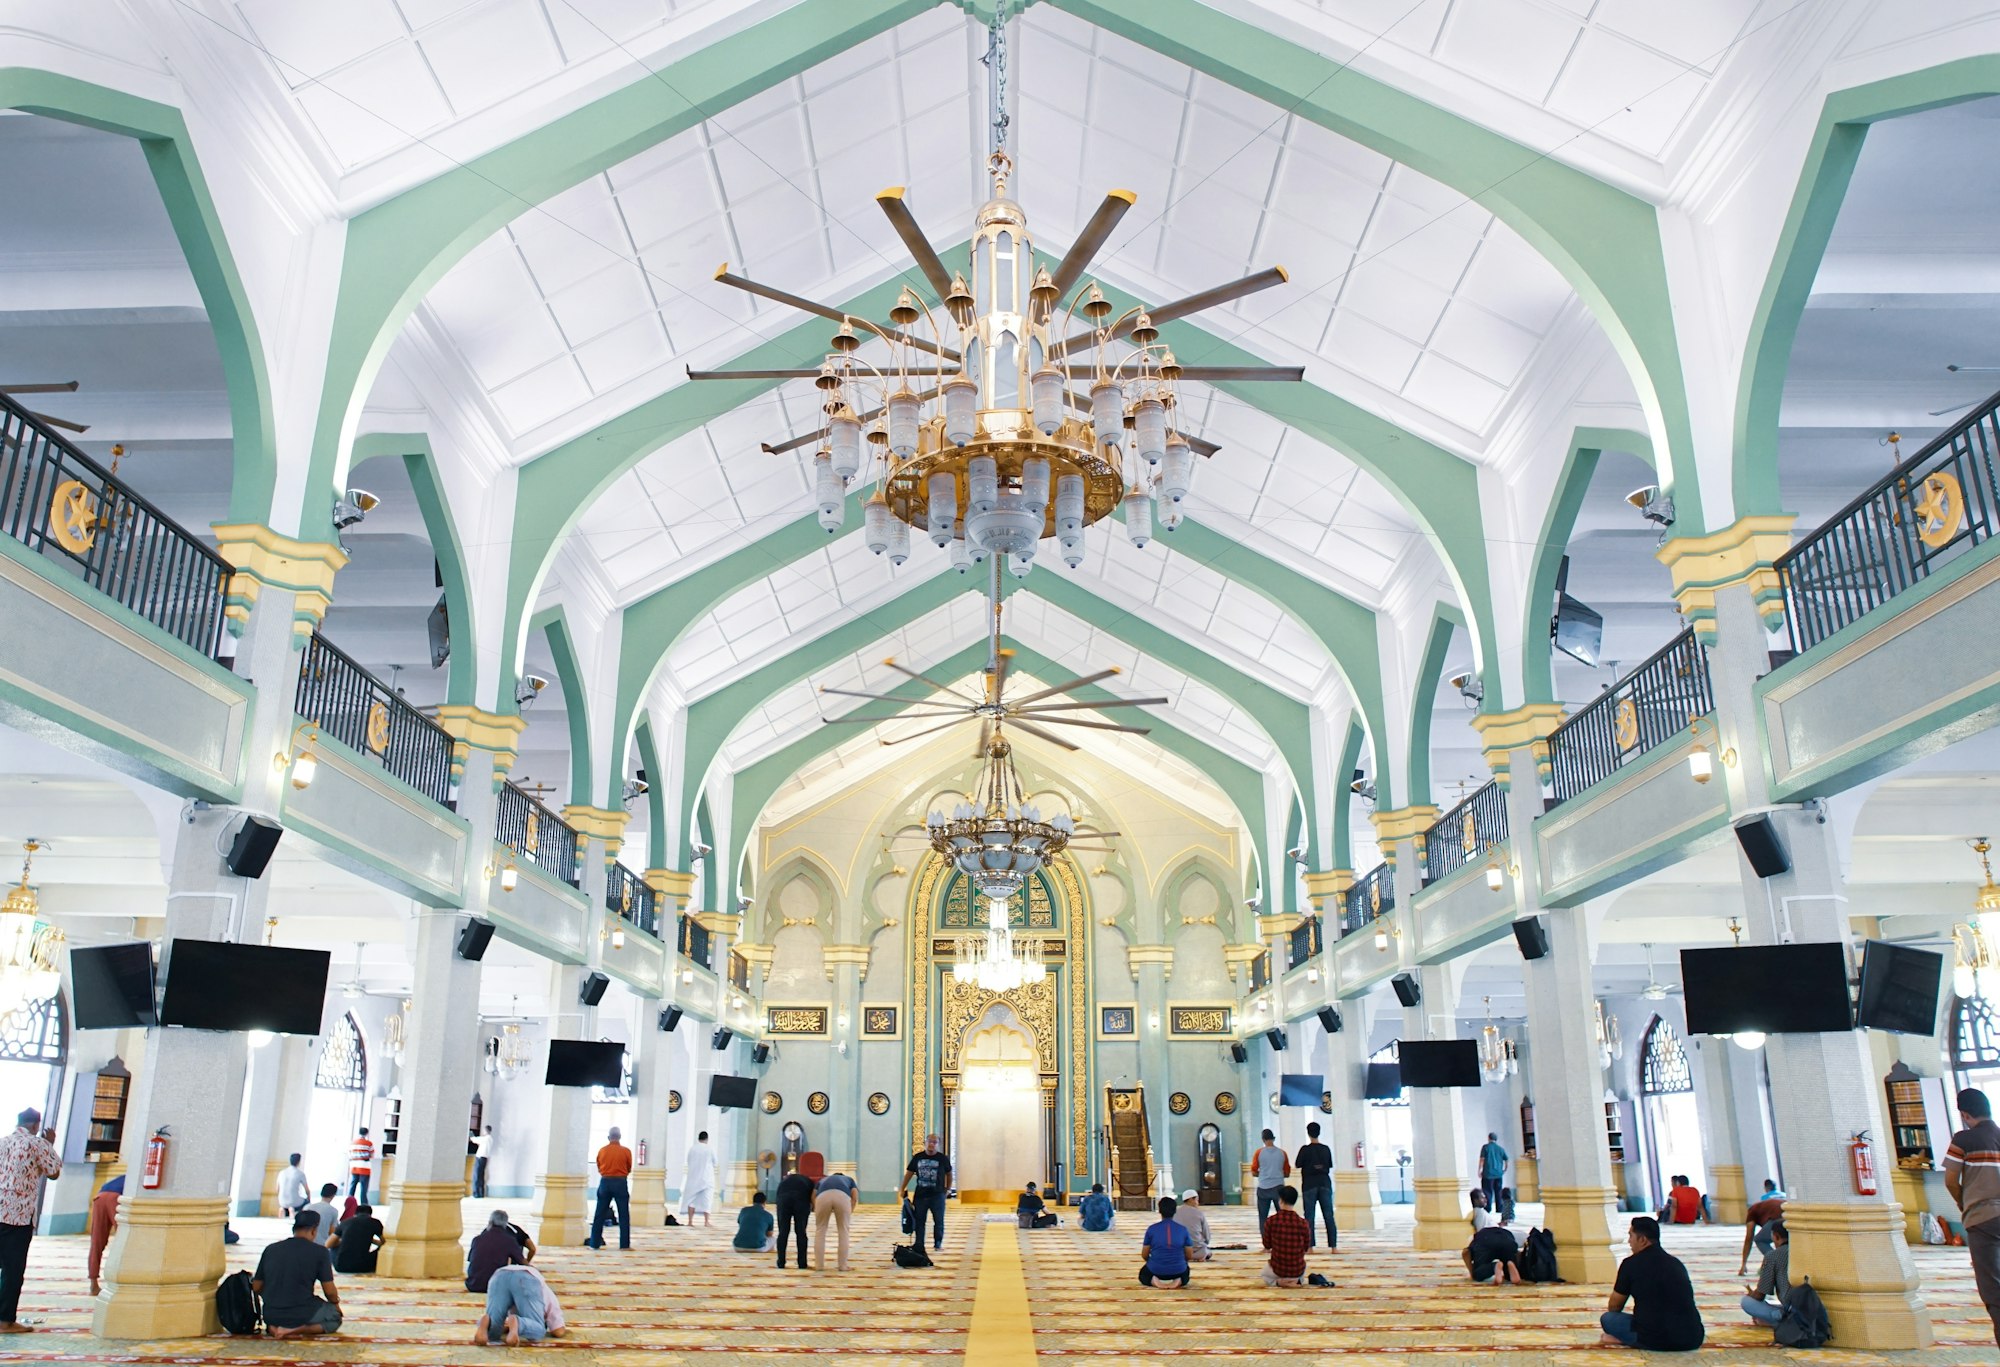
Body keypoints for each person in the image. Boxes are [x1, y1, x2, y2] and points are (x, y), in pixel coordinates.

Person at [1600, 1216, 1704, 1351]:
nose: (1629, 1241)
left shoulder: (1630, 1264)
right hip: (1692, 1338)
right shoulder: (1675, 1263)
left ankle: (1626, 1339)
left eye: (1631, 1236)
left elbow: (1615, 1306)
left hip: (1654, 1339)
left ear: (1642, 1240)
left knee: (1609, 1318)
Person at [1947, 1085, 2000, 1344]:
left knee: (1992, 1287)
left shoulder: (1964, 1139)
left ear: (1965, 1115)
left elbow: (1950, 1179)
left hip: (1982, 1217)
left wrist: (1962, 1201)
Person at [0, 1107, 58, 1334]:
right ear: (36, 1125)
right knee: (13, 1271)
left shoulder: (2, 1142)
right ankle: (4, 1321)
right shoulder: (37, 1143)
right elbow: (53, 1173)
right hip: (18, 1218)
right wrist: (50, 1144)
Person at [253, 1210, 342, 1340]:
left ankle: (273, 1327)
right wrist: (336, 1304)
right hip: (302, 1312)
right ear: (313, 1230)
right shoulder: (320, 1252)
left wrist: (273, 1299)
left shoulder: (271, 1249)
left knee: (281, 1314)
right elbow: (329, 1291)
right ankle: (294, 1329)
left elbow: (256, 1286)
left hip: (270, 1314)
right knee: (334, 1318)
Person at [472, 1263, 566, 1346]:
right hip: (526, 1279)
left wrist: (508, 1328)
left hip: (498, 1276)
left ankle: (486, 1323)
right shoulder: (545, 1290)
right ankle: (519, 1323)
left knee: (494, 1329)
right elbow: (558, 1331)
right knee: (538, 1330)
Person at [899, 1133, 953, 1252]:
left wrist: (948, 1189)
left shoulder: (942, 1158)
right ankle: (919, 1244)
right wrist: (902, 1188)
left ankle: (938, 1244)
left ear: (938, 1144)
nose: (931, 1144)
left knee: (938, 1221)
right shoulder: (918, 1157)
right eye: (929, 1141)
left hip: (937, 1195)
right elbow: (909, 1173)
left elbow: (949, 1174)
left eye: (935, 1142)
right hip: (921, 1196)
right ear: (925, 1143)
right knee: (919, 1221)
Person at [1740, 1218, 1791, 1330]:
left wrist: (1751, 1294)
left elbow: (1760, 1294)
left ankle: (1779, 1321)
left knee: (1746, 1302)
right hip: (1810, 1306)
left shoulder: (1773, 1256)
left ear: (1776, 1236)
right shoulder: (1804, 1251)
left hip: (1790, 1310)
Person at [588, 1125, 632, 1251]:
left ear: (608, 1137)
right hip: (620, 1182)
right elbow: (629, 1167)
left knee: (599, 1214)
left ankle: (594, 1243)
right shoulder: (626, 1151)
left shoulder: (602, 1151)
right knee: (623, 1214)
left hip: (605, 1182)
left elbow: (599, 1165)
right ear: (620, 1137)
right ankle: (624, 1244)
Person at [1296, 1120, 1336, 1251]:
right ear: (1319, 1132)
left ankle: (1310, 1247)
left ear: (1308, 1133)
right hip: (1325, 1183)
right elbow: (1329, 1165)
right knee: (1329, 1215)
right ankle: (1333, 1247)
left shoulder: (1305, 1150)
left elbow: (1297, 1164)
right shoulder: (1325, 1149)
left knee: (1309, 1216)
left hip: (1309, 1185)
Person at [1260, 1184, 1311, 1287]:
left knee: (1264, 1274)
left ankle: (1278, 1282)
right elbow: (1306, 1247)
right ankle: (1296, 1281)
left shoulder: (1271, 1221)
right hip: (1297, 1270)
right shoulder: (1303, 1223)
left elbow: (1267, 1245)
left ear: (1281, 1200)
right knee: (1302, 1271)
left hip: (1278, 1269)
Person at [465, 1209, 526, 1292]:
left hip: (473, 1285)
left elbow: (471, 1261)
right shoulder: (509, 1240)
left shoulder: (477, 1239)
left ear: (490, 1222)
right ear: (505, 1224)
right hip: (496, 1286)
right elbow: (522, 1262)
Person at [1140, 1195, 1193, 1289]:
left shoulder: (1152, 1229)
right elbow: (1189, 1255)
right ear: (1175, 1211)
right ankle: (1179, 1280)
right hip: (1178, 1270)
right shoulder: (1183, 1230)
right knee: (1186, 1273)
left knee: (1143, 1275)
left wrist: (1155, 1262)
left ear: (1160, 1211)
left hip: (1155, 1269)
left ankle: (1154, 1280)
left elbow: (1144, 1254)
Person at [813, 1167, 857, 1272]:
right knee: (843, 1231)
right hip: (842, 1196)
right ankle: (843, 1266)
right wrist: (850, 1211)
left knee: (820, 1230)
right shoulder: (849, 1179)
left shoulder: (822, 1180)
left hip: (822, 1197)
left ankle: (819, 1266)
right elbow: (854, 1196)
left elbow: (813, 1195)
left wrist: (817, 1209)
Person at [86, 1174, 122, 1297]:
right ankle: (119, 1283)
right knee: (124, 1242)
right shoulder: (138, 1178)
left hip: (100, 1196)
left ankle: (93, 1285)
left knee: (97, 1242)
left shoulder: (124, 1176)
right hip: (116, 1198)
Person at [1736, 1190, 1786, 1276]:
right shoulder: (1765, 1206)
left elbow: (1749, 1238)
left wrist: (1743, 1264)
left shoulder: (1752, 1211)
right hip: (1792, 1214)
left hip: (1778, 1217)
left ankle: (1777, 1262)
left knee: (1760, 1239)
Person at [774, 1167, 816, 1268]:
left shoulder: (785, 1181)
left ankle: (781, 1262)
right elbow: (813, 1198)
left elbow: (778, 1197)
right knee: (801, 1232)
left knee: (783, 1232)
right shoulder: (809, 1182)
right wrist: (813, 1208)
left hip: (783, 1200)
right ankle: (802, 1263)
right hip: (801, 1201)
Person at [328, 1203, 385, 1275]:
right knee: (384, 1249)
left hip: (340, 1266)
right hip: (363, 1266)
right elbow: (385, 1243)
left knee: (334, 1246)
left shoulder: (345, 1222)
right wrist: (369, 1240)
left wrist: (344, 1241)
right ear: (370, 1215)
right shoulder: (375, 1222)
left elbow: (328, 1244)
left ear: (355, 1214)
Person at [1464, 1215, 1522, 1285]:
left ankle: (1494, 1266)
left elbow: (1466, 1252)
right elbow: (1518, 1253)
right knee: (1508, 1263)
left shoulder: (1478, 1235)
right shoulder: (1505, 1231)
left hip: (1485, 1242)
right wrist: (1515, 1263)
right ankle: (1510, 1266)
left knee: (1478, 1273)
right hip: (1507, 1241)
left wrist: (1472, 1273)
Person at [1251, 1129, 1290, 1233]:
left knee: (1263, 1217)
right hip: (1279, 1188)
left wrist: (1264, 1174)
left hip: (1263, 1188)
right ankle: (1283, 1239)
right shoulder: (1282, 1153)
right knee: (1283, 1217)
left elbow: (1254, 1172)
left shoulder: (1258, 1153)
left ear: (1263, 1139)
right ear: (1274, 1138)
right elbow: (1287, 1173)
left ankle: (1266, 1244)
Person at [682, 1131, 717, 1227]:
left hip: (693, 1177)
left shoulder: (692, 1149)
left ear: (698, 1138)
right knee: (707, 1200)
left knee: (691, 1200)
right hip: (707, 1178)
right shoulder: (710, 1149)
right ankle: (706, 1222)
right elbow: (715, 1162)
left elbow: (688, 1161)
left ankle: (690, 1221)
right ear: (707, 1139)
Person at [1173, 1188, 1212, 1262]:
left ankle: (1184, 1256)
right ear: (1191, 1199)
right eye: (1197, 1200)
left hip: (1178, 1249)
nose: (1198, 1203)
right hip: (1196, 1249)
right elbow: (1207, 1235)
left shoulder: (1175, 1212)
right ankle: (1196, 1256)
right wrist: (1205, 1243)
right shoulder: (1199, 1213)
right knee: (1207, 1251)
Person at [1477, 1131, 1508, 1215]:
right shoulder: (1500, 1149)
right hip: (1498, 1174)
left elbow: (1482, 1160)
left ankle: (1488, 1208)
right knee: (1498, 1191)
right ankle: (1499, 1208)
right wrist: (1505, 1169)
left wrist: (1479, 1170)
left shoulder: (1485, 1147)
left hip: (1488, 1173)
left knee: (1487, 1191)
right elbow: (1506, 1159)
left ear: (1488, 1138)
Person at [278, 1153, 310, 1218]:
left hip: (281, 1201)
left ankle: (284, 1209)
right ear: (299, 1162)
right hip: (294, 1201)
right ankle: (294, 1212)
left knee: (286, 1204)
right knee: (306, 1203)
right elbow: (307, 1190)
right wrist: (309, 1198)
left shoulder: (282, 1172)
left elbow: (277, 1189)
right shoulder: (300, 1173)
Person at [347, 1127, 374, 1205]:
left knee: (353, 1185)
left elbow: (349, 1154)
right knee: (363, 1187)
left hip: (354, 1166)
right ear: (366, 1133)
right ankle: (364, 1204)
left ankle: (349, 1202)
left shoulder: (353, 1143)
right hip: (364, 1167)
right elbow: (372, 1154)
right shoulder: (369, 1143)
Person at [473, 1126, 494, 1199]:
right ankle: (481, 1193)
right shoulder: (490, 1139)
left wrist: (471, 1136)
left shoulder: (486, 1138)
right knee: (481, 1176)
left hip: (480, 1157)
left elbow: (475, 1140)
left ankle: (476, 1193)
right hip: (485, 1158)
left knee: (477, 1175)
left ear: (485, 1131)